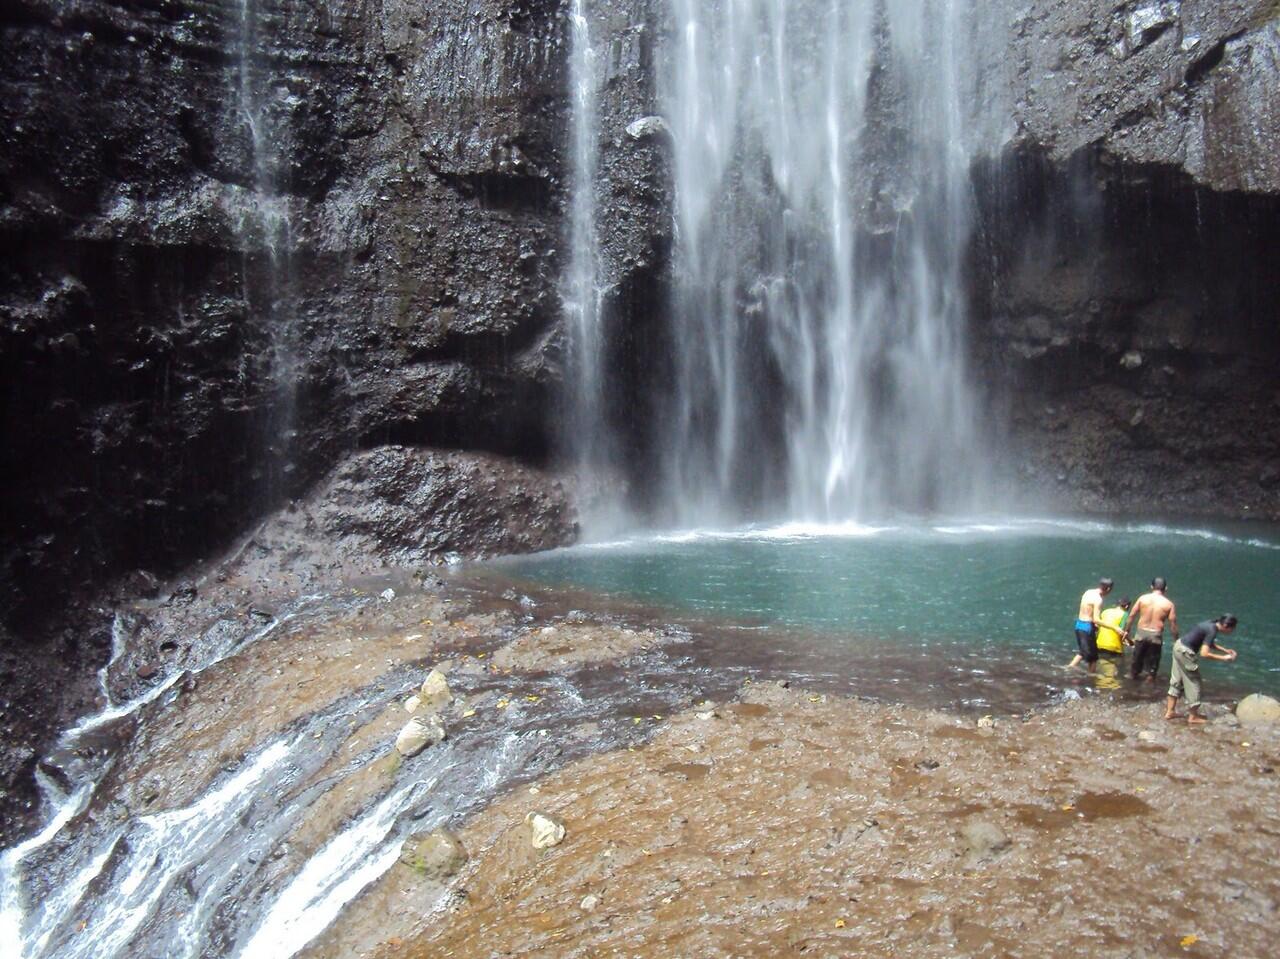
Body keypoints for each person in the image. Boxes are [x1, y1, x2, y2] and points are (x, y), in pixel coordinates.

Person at [1166, 615, 1238, 725]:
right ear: (1226, 625)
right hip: (1186, 652)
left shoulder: (1210, 623)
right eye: (1232, 629)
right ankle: (1193, 717)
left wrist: (1225, 650)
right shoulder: (1212, 630)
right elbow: (1204, 653)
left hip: (1179, 647)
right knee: (1195, 683)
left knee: (1176, 680)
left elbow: (1207, 642)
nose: (1232, 631)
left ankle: (1170, 712)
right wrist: (1224, 658)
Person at [1124, 577, 1177, 681]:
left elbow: (1132, 615)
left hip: (1141, 633)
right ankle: (1149, 689)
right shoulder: (1169, 604)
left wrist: (1127, 630)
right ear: (1165, 588)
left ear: (1151, 587)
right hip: (1155, 636)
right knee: (1152, 669)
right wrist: (1176, 640)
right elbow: (1173, 624)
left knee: (1135, 664)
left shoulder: (1142, 599)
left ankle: (1131, 686)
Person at [1064, 577, 1113, 672]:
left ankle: (1068, 668)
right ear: (1108, 589)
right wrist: (1114, 628)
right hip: (1087, 628)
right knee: (1093, 658)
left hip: (1079, 625)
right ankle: (1091, 678)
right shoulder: (1098, 599)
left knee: (1083, 651)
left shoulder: (1088, 592)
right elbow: (1096, 619)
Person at [1093, 595, 1132, 688]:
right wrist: (1131, 642)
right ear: (1126, 606)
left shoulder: (1105, 612)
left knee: (1102, 670)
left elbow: (1098, 627)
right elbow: (1122, 633)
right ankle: (1112, 690)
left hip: (1099, 645)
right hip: (1113, 648)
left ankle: (1098, 687)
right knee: (1114, 674)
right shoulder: (1125, 614)